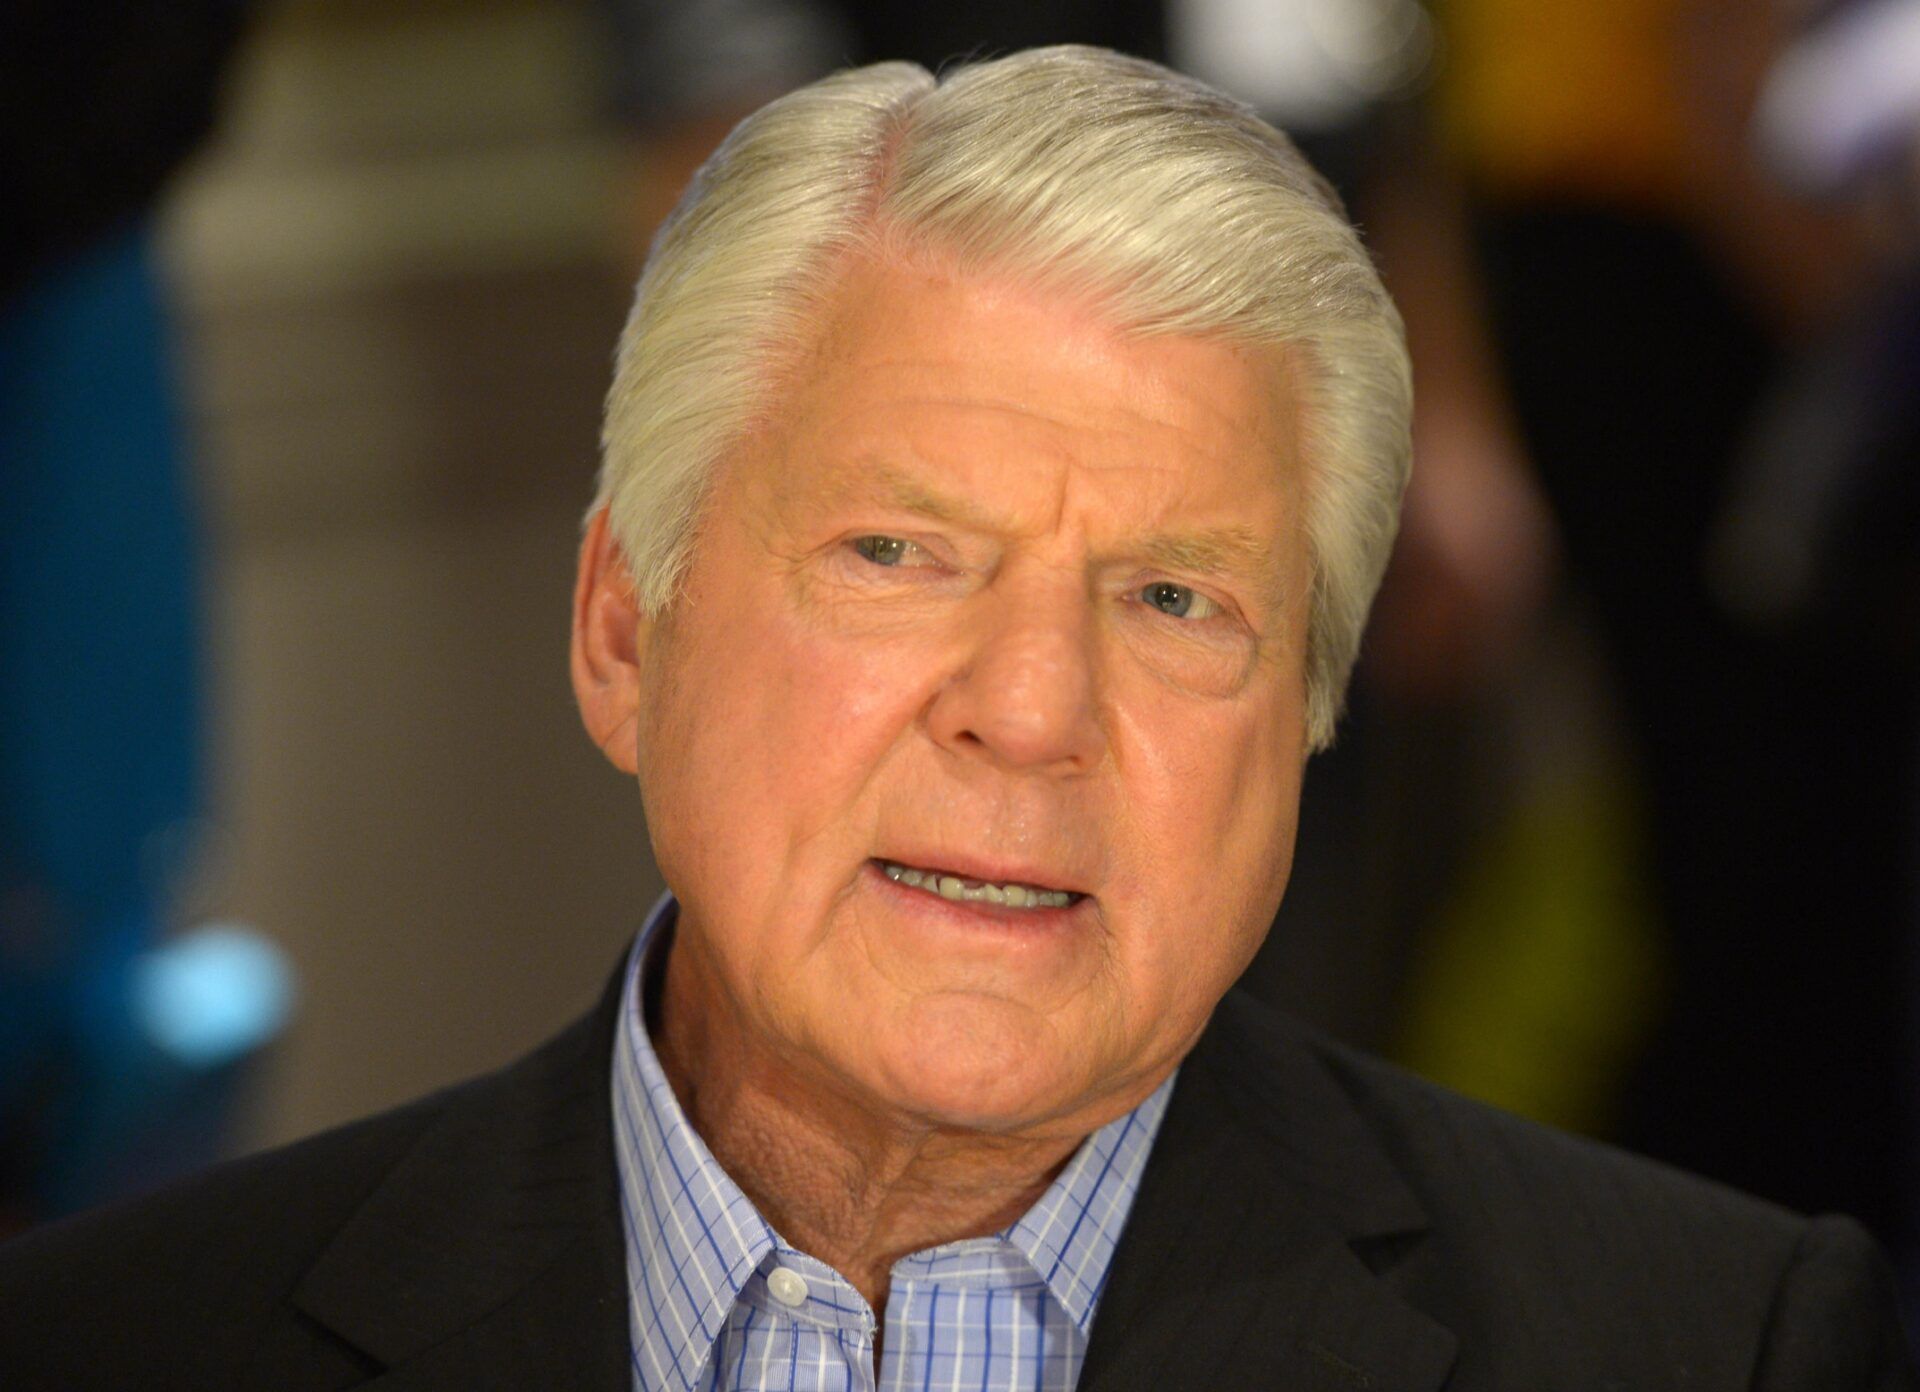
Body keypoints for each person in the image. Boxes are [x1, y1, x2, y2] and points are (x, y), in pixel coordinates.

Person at [0, 45, 1910, 1390]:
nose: (1030, 711)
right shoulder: (120, 1349)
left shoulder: (1720, 1349)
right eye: (899, 552)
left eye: (1178, 599)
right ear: (621, 631)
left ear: (1309, 713)